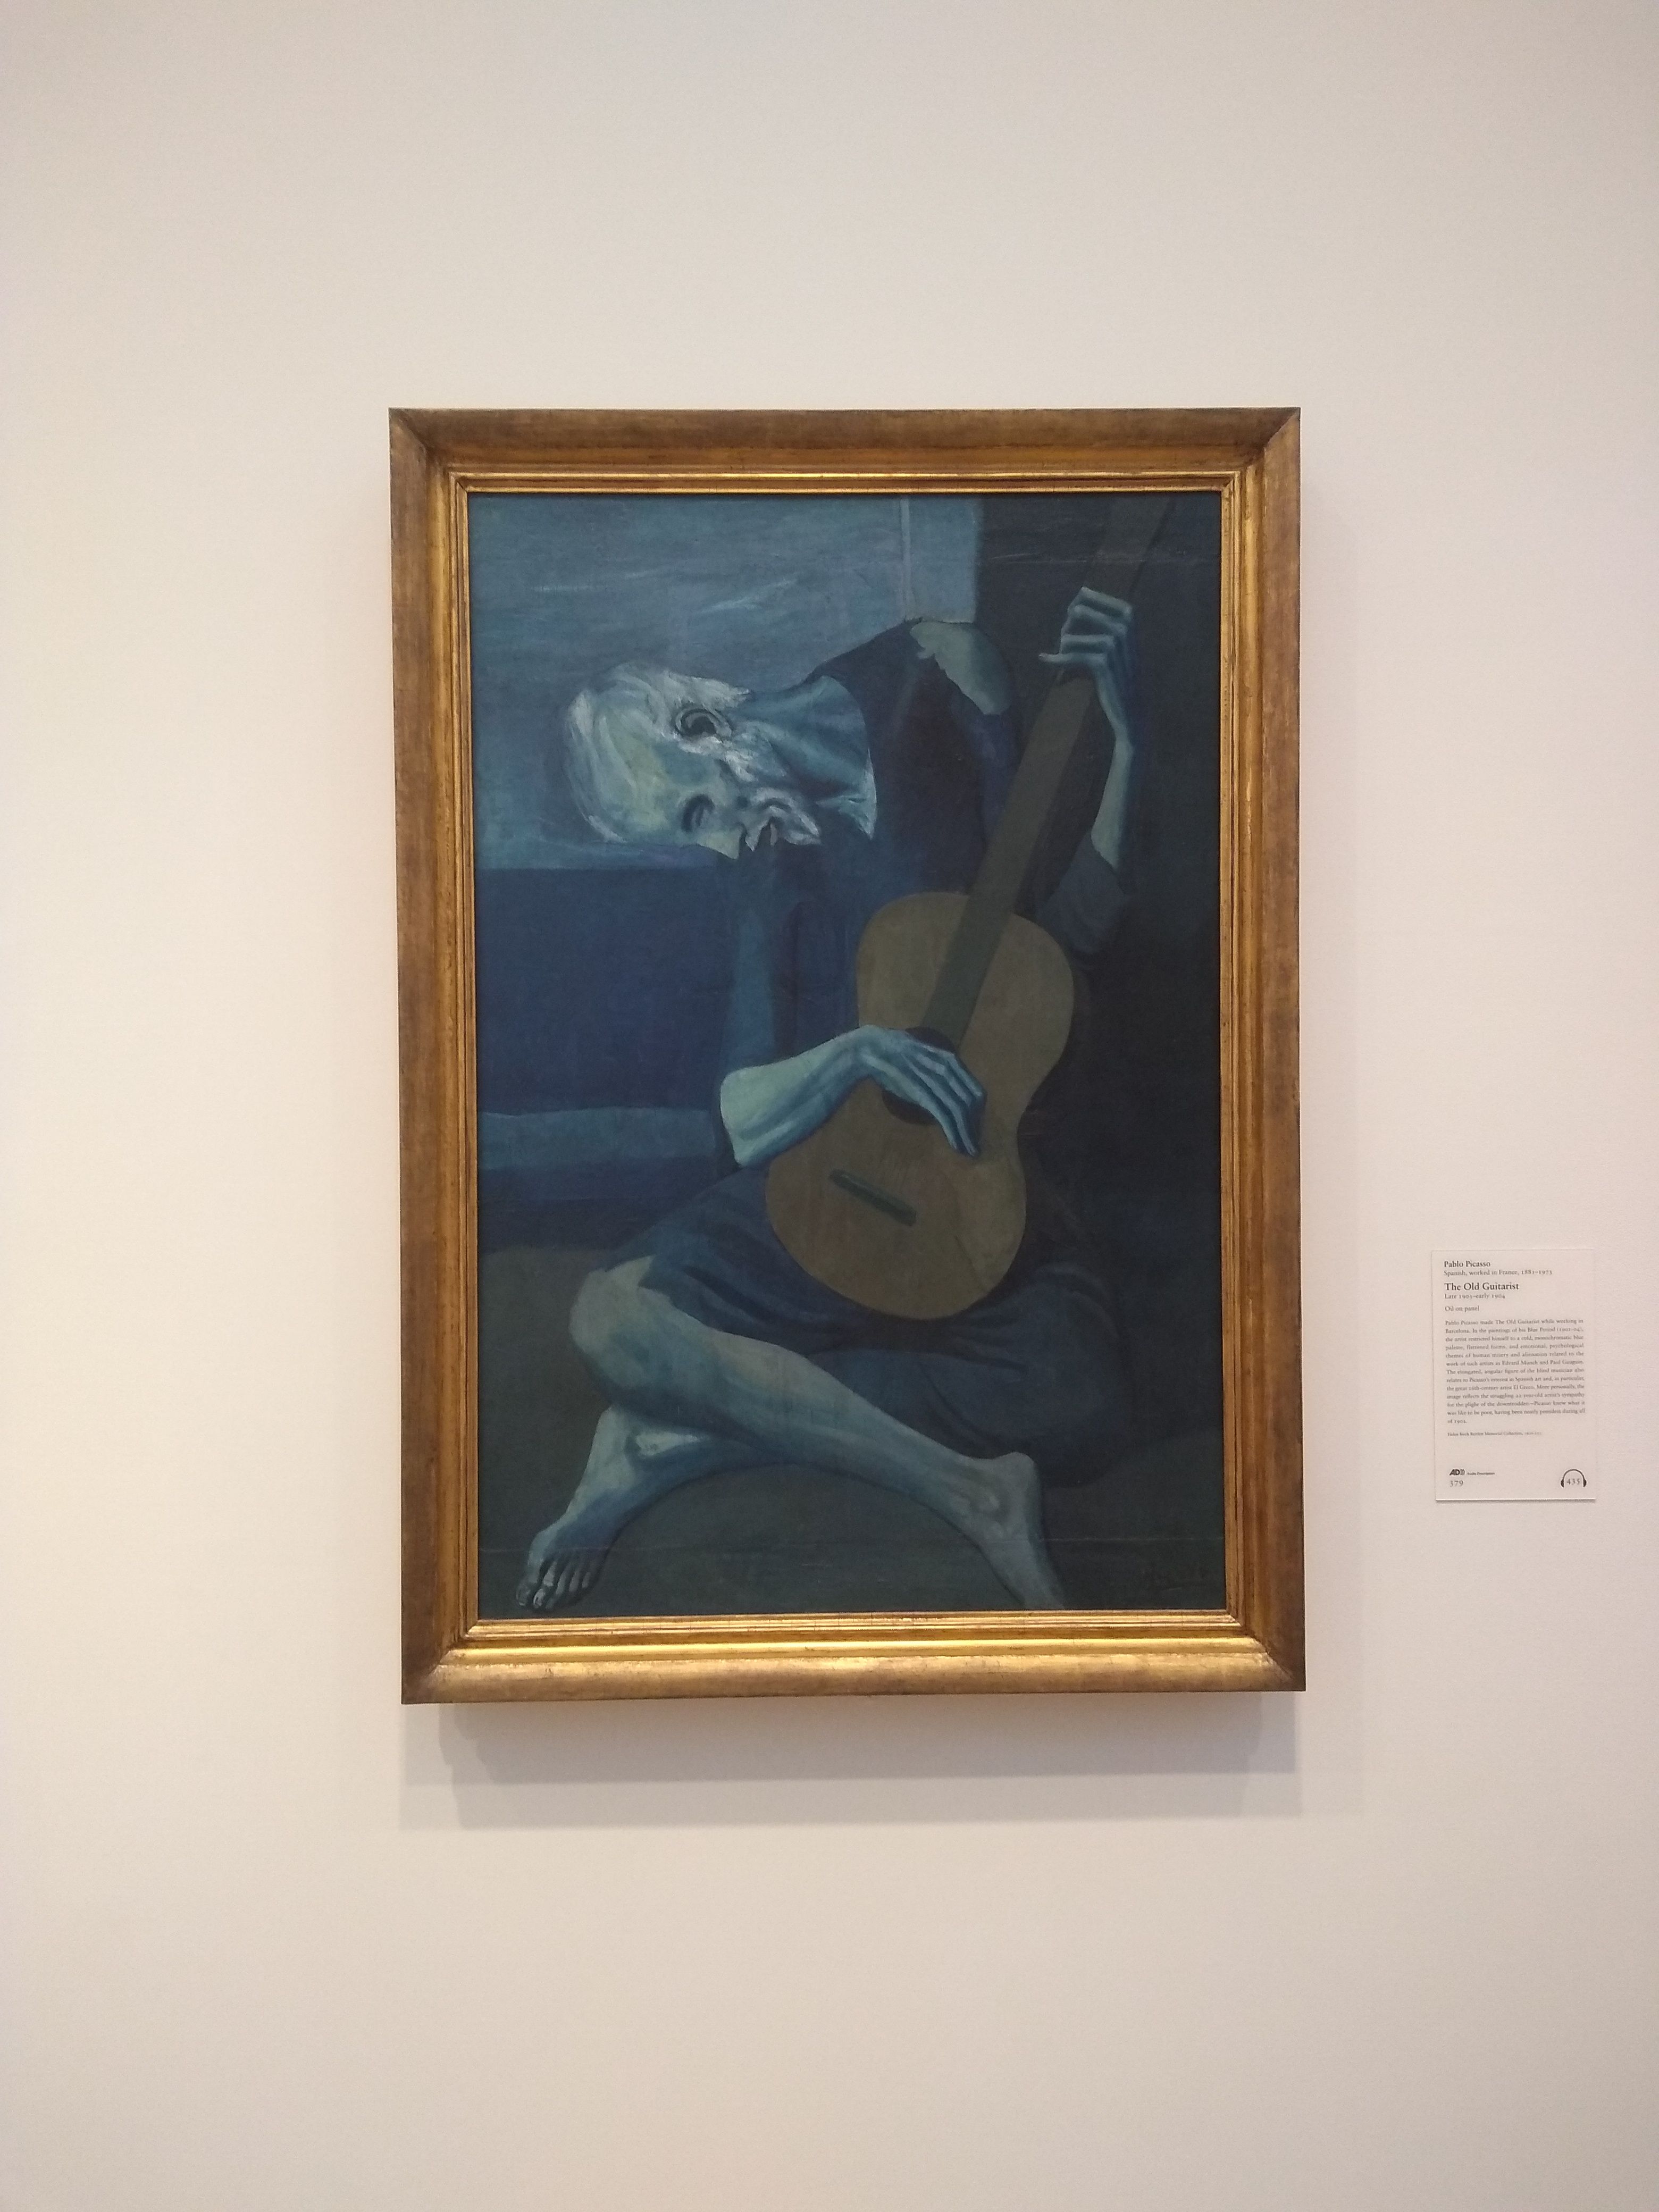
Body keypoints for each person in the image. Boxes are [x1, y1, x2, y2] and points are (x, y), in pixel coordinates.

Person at [518, 590, 1144, 1611]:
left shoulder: (943, 678)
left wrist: (1129, 750)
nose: (719, 844)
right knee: (611, 1317)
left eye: (695, 811)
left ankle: (687, 1437)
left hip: (979, 1180)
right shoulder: (770, 853)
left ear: (702, 728)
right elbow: (743, 1120)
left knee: (1085, 1403)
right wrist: (856, 1053)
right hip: (836, 1187)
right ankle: (972, 1491)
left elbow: (1057, 934)